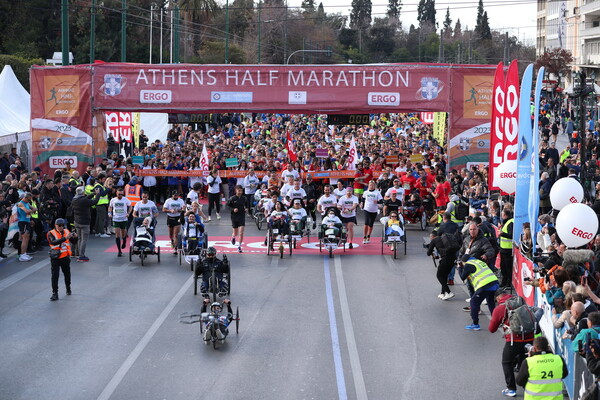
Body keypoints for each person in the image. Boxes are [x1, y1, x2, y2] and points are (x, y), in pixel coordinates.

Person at [489, 289, 536, 398]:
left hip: (513, 340)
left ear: (498, 298)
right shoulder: (521, 302)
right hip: (529, 337)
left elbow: (492, 329)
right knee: (525, 361)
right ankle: (527, 386)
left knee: (506, 362)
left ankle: (511, 388)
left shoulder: (500, 308)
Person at [459, 254, 500, 331]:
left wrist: (460, 268)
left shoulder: (468, 264)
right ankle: (496, 321)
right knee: (490, 302)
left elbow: (462, 277)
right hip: (494, 282)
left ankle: (475, 324)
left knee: (474, 302)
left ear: (464, 262)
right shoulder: (479, 261)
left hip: (484, 285)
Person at [47, 218, 76, 301]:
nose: (61, 227)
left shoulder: (67, 231)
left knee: (67, 274)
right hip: (55, 257)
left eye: (62, 225)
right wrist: (65, 238)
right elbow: (53, 242)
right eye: (59, 225)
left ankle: (68, 288)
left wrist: (74, 237)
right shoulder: (51, 233)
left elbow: (73, 242)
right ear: (55, 225)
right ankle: (55, 293)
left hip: (65, 257)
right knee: (55, 275)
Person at [71, 186, 101, 262]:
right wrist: (97, 194)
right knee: (84, 239)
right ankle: (81, 255)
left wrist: (93, 193)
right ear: (83, 193)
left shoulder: (74, 199)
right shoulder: (83, 200)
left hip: (77, 221)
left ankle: (79, 253)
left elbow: (86, 199)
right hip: (84, 222)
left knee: (80, 238)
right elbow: (94, 202)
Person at [427, 229, 458, 300]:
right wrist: (437, 256)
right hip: (452, 259)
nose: (430, 238)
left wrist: (431, 249)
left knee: (439, 275)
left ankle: (449, 292)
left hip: (445, 260)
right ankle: (442, 293)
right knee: (444, 276)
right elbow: (443, 251)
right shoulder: (445, 240)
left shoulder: (434, 240)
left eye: (430, 237)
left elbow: (428, 253)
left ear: (433, 236)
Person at [108, 187, 132, 257]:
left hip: (124, 218)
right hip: (116, 218)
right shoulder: (113, 200)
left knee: (123, 233)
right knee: (117, 234)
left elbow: (130, 207)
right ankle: (119, 251)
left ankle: (124, 241)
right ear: (116, 193)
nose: (120, 196)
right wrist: (109, 213)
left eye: (121, 194)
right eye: (119, 194)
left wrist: (128, 213)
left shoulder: (126, 200)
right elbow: (110, 207)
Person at [162, 191, 185, 255]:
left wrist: (178, 210)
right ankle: (172, 241)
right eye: (175, 195)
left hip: (177, 218)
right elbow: (163, 209)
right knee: (171, 235)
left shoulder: (181, 201)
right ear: (172, 195)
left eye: (177, 195)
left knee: (176, 235)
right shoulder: (168, 201)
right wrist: (170, 210)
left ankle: (175, 248)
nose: (176, 196)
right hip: (170, 218)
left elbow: (183, 209)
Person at [16, 192, 36, 262]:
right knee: (24, 238)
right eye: (28, 199)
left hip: (27, 221)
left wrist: (32, 210)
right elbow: (26, 211)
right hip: (22, 222)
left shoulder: (27, 203)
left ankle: (24, 253)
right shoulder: (20, 203)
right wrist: (32, 210)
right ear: (25, 198)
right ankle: (22, 255)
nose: (29, 201)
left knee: (27, 238)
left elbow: (33, 208)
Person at [227, 185, 247, 253]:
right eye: (239, 191)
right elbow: (228, 206)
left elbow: (247, 205)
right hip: (234, 217)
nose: (240, 192)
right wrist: (233, 209)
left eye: (241, 191)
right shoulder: (232, 198)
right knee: (235, 233)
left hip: (242, 216)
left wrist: (246, 208)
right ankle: (233, 237)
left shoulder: (244, 198)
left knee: (241, 232)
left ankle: (239, 246)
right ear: (236, 191)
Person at [499, 210, 514, 288]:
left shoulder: (510, 222)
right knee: (503, 267)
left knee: (507, 267)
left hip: (508, 249)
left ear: (505, 215)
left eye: (502, 214)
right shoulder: (506, 222)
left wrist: (502, 234)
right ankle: (504, 282)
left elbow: (511, 235)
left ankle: (508, 282)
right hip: (503, 248)